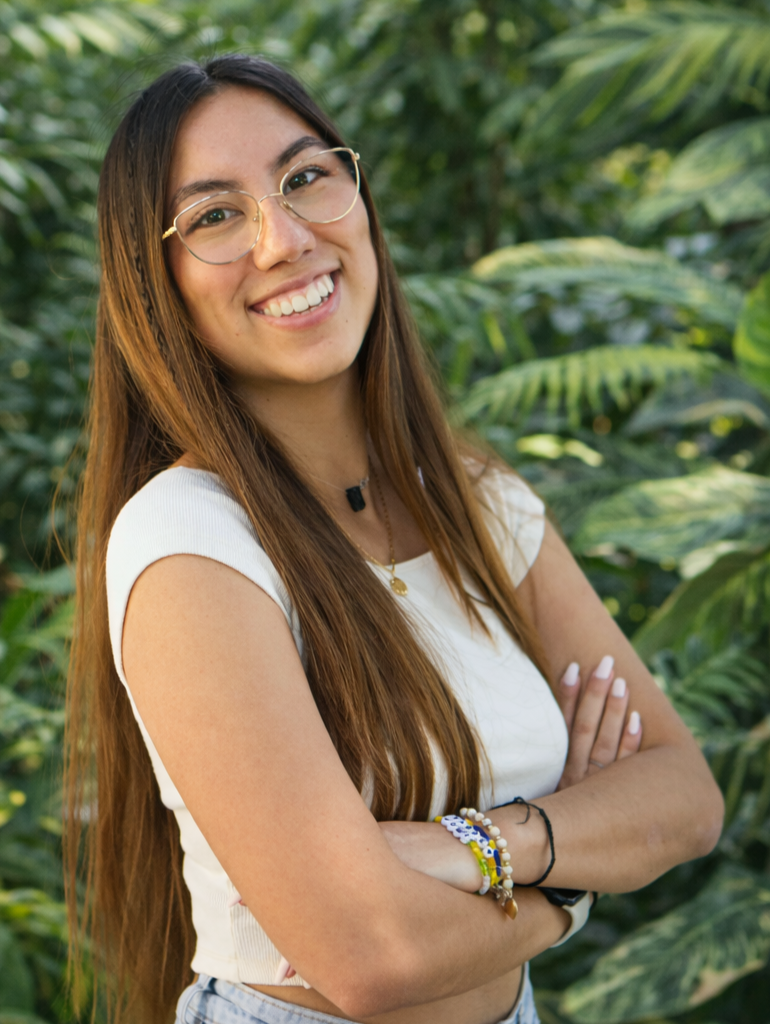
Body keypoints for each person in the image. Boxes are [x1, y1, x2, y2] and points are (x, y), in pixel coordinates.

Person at [63, 55, 723, 1024]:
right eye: (213, 216)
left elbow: (682, 794)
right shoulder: (190, 541)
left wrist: (478, 847)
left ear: (357, 195)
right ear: (154, 284)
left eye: (304, 177)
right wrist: (574, 875)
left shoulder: (479, 502)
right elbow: (372, 953)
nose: (282, 239)